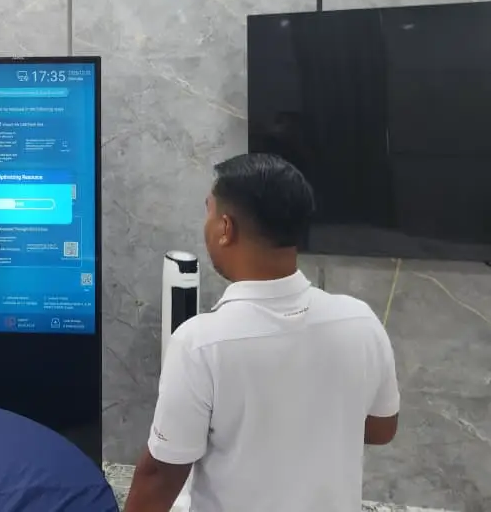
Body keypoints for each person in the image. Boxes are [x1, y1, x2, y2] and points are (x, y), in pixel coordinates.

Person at [123, 154, 399, 512]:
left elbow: (159, 476)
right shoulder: (360, 321)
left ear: (225, 228)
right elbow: (381, 429)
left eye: (209, 212)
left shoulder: (201, 343)